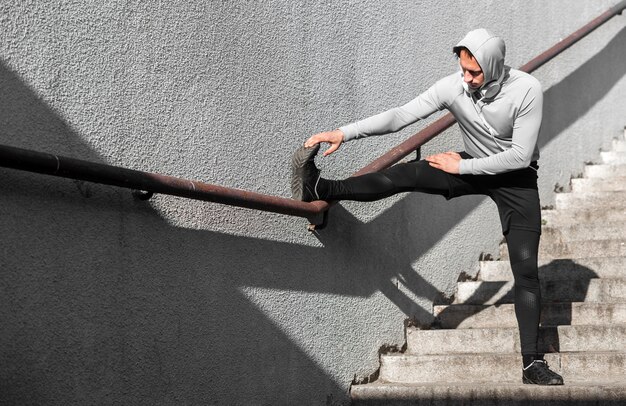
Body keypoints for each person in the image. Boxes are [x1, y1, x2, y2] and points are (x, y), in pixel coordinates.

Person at [291, 28, 564, 385]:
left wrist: (461, 166)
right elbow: (401, 116)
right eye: (463, 69)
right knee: (405, 175)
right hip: (470, 165)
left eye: (474, 72)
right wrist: (345, 132)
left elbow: (519, 156)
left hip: (516, 179)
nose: (466, 79)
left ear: (495, 66)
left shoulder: (526, 89)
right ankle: (320, 187)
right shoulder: (454, 86)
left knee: (525, 269)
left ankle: (532, 363)